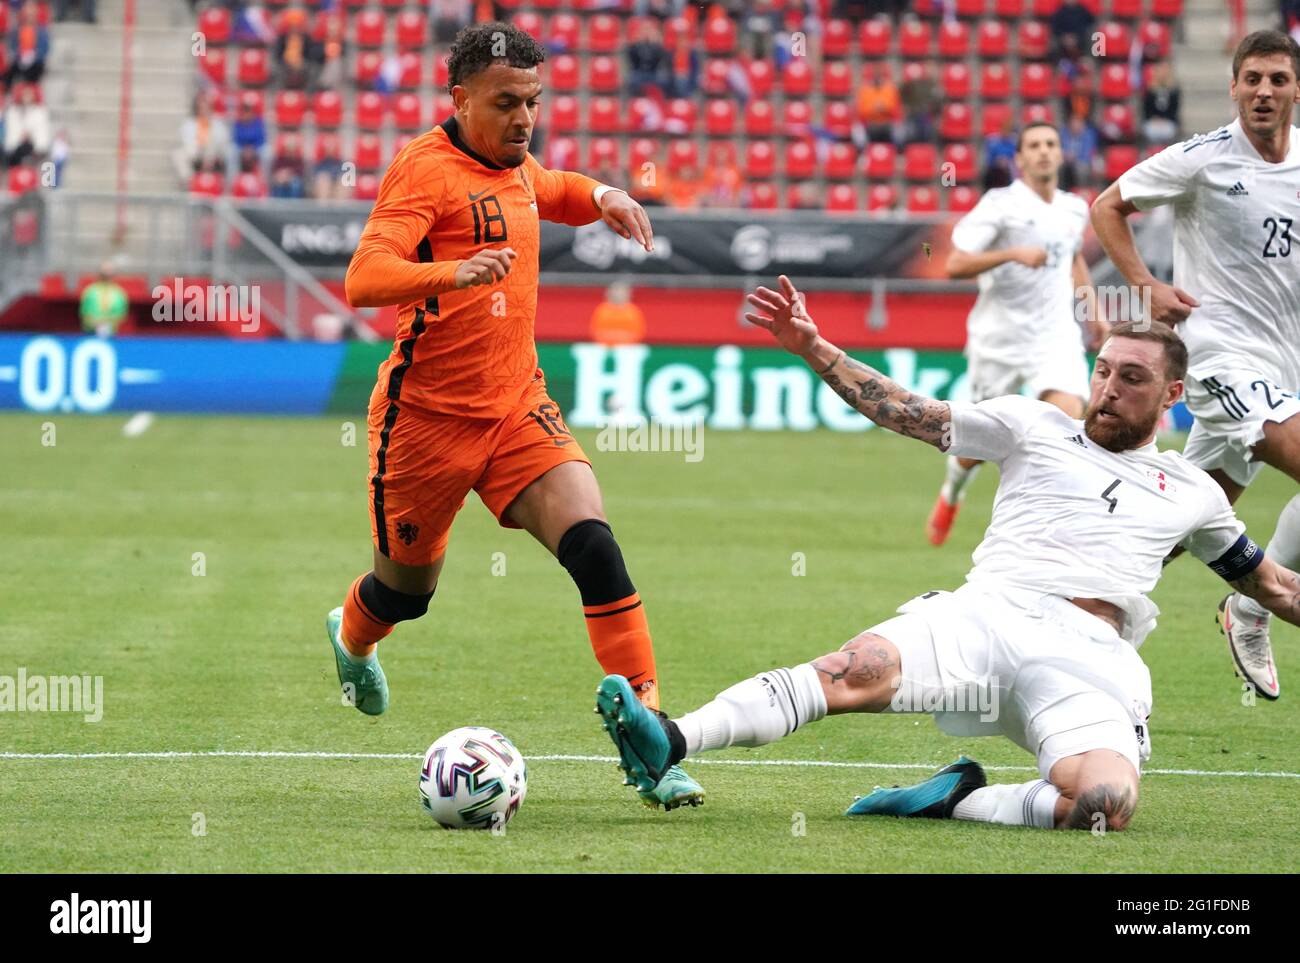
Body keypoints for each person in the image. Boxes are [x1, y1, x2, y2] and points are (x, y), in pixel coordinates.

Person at [595, 283, 1300, 831]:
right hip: (989, 612)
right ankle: (672, 737)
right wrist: (814, 346)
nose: (1108, 387)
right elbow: (906, 410)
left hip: (1090, 658)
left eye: (1132, 378)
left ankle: (959, 799)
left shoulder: (1193, 490)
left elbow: (1273, 586)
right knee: (853, 668)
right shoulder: (1034, 425)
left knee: (1103, 805)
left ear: (1173, 395)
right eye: (1103, 369)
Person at [330, 22, 703, 810]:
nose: (524, 118)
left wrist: (604, 196)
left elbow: (546, 184)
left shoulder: (513, 161)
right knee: (405, 595)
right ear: (459, 98)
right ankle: (352, 636)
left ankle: (653, 735)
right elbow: (364, 276)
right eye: (507, 103)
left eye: (533, 101)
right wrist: (454, 271)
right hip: (424, 422)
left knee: (594, 545)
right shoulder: (425, 170)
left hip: (514, 408)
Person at [1091, 30, 1300, 699]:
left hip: (1284, 361)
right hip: (1220, 357)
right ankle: (1254, 601)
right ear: (1234, 87)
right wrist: (1143, 283)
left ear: (1295, 89)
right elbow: (1108, 207)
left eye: (1278, 79)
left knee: (1181, 515)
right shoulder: (1202, 158)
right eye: (1252, 79)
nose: (1264, 91)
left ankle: (1087, 610)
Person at [927, 122, 1109, 546]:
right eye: (1034, 146)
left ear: (1061, 154)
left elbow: (1073, 259)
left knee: (1069, 420)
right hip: (1000, 338)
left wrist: (1093, 313)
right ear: (1020, 159)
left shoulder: (1073, 208)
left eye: (1051, 143)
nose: (1044, 151)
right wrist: (1012, 254)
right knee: (972, 447)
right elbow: (954, 265)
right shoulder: (1000, 205)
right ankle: (952, 489)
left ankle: (1050, 526)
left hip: (1055, 335)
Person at [80, 263, 129, 338]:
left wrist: (107, 324)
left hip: (113, 335)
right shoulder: (90, 291)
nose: (107, 277)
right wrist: (95, 323)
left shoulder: (119, 293)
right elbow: (85, 313)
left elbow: (121, 315)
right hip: (90, 334)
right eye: (104, 274)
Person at [1142, 60, 1182, 145]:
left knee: (1168, 131)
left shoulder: (1174, 91)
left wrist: (1165, 119)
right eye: (1160, 70)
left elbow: (1174, 109)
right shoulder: (1150, 90)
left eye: (1165, 70)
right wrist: (1154, 118)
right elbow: (1146, 109)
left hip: (1168, 121)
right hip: (1153, 121)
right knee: (1152, 131)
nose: (1163, 73)